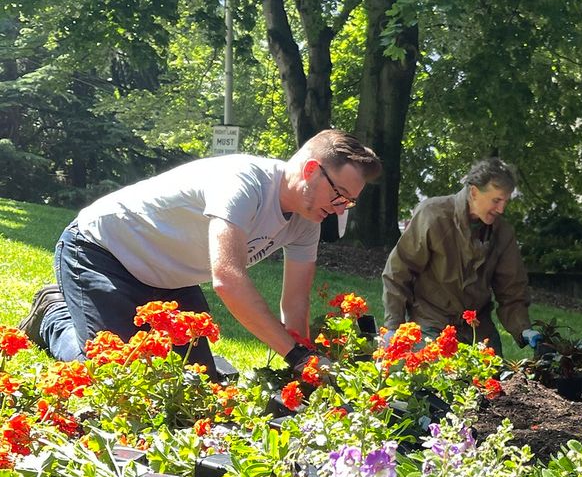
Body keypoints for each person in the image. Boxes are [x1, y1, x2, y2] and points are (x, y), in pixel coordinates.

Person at [21, 130, 381, 376]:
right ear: (310, 170)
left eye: (348, 202)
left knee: (196, 381)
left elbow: (296, 304)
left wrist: (305, 366)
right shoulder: (244, 182)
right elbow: (228, 279)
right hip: (102, 252)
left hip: (172, 279)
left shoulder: (307, 220)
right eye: (339, 196)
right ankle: (52, 316)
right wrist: (296, 354)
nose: (339, 209)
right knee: (116, 372)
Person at [382, 157, 537, 356]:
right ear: (473, 192)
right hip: (431, 321)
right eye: (496, 200)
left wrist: (524, 328)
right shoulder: (433, 216)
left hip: (477, 328)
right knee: (436, 382)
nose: (501, 209)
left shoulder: (502, 233)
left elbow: (512, 289)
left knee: (493, 381)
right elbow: (398, 271)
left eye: (505, 201)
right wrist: (393, 327)